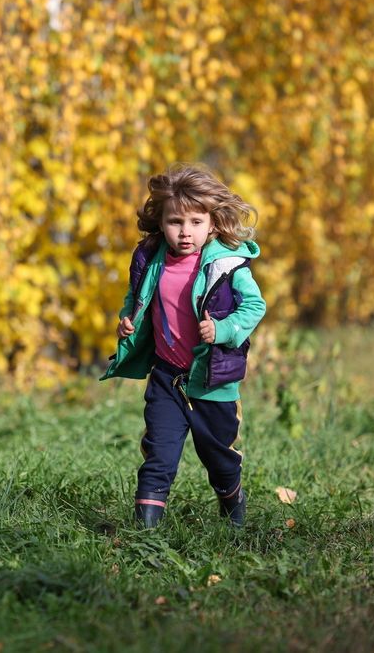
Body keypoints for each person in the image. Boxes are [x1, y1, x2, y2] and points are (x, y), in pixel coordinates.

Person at [101, 163, 266, 528]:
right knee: (158, 454)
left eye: (195, 222)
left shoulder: (227, 264)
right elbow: (137, 297)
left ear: (212, 223)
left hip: (212, 379)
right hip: (167, 378)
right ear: (161, 222)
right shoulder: (149, 259)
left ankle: (232, 508)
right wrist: (128, 318)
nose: (185, 232)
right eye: (176, 222)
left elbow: (255, 305)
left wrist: (223, 330)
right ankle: (144, 535)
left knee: (218, 456)